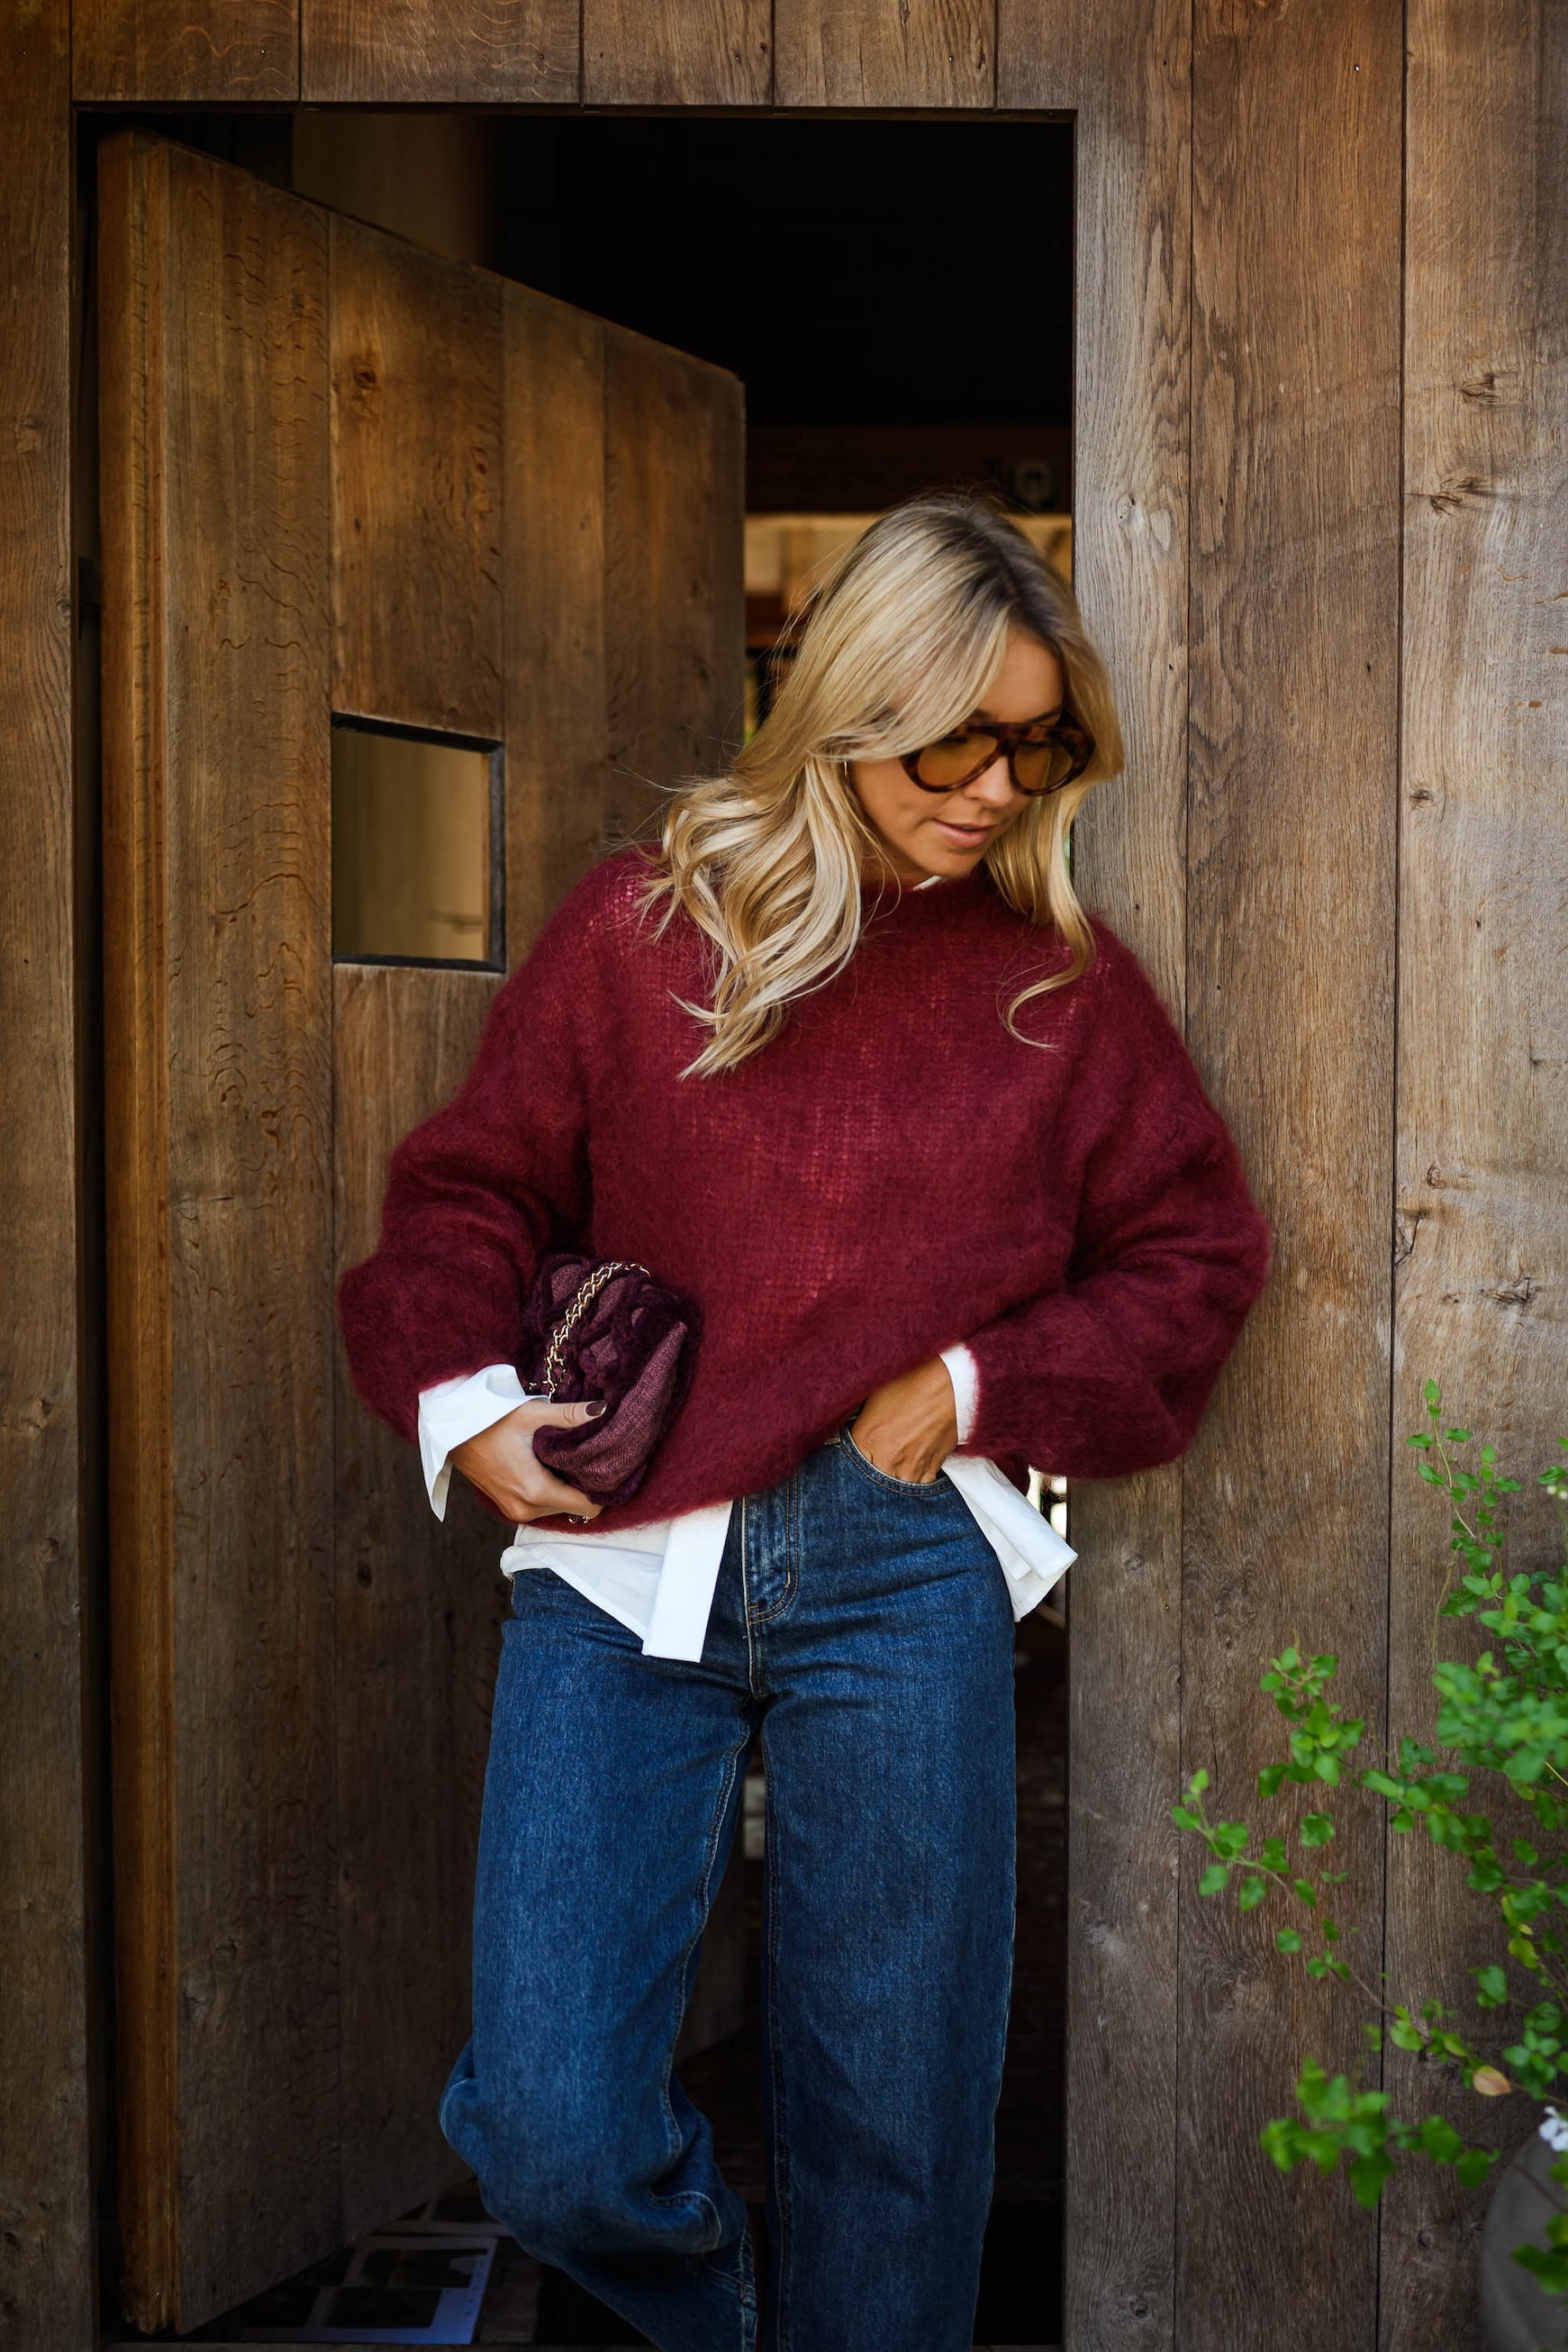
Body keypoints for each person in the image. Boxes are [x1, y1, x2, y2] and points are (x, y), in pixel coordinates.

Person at [338, 491, 1272, 2352]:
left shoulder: (1057, 990)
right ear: (852, 704)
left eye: (1039, 743)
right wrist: (463, 1406)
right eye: (958, 738)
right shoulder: (641, 929)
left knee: (896, 2129)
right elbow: (467, 1195)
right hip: (624, 1575)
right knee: (553, 2134)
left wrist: (975, 1384)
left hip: (898, 1567)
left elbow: (1195, 1249)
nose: (999, 787)